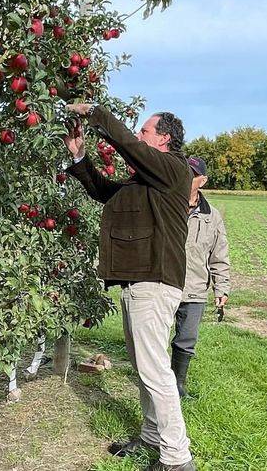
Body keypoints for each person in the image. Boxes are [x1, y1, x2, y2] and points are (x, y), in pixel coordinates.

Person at [64, 104, 195, 471]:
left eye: (145, 131)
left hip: (155, 283)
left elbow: (131, 148)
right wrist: (80, 156)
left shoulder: (173, 169)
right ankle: (152, 437)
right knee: (144, 368)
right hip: (139, 284)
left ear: (164, 139)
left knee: (155, 371)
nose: (139, 136)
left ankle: (177, 458)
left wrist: (98, 113)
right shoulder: (144, 182)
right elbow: (104, 191)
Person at [171, 156, 230, 399]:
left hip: (194, 289)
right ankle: (157, 388)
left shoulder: (211, 216)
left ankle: (178, 387)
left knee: (186, 340)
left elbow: (219, 254)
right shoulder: (167, 203)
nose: (186, 177)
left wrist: (221, 288)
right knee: (155, 341)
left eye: (192, 174)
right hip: (164, 284)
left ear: (202, 180)